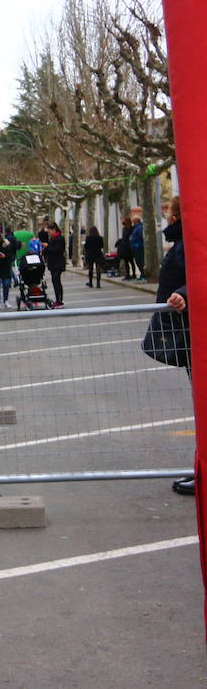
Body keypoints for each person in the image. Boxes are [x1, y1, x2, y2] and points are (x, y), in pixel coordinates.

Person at [153, 198, 193, 495]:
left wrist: (182, 294)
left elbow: (198, 275)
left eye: (169, 212)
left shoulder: (189, 240)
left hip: (194, 328)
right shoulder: (182, 240)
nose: (166, 217)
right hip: (187, 328)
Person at [44, 222, 67, 308]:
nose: (49, 233)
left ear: (54, 230)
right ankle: (58, 299)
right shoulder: (53, 238)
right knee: (55, 281)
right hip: (53, 263)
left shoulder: (59, 238)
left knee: (56, 281)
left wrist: (47, 247)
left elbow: (58, 250)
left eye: (49, 231)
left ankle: (59, 300)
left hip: (58, 263)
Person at [129, 209, 145, 281]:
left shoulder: (138, 228)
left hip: (138, 247)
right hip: (136, 247)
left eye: (133, 221)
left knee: (140, 261)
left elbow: (141, 237)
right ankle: (142, 274)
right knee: (138, 261)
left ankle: (143, 274)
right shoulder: (136, 228)